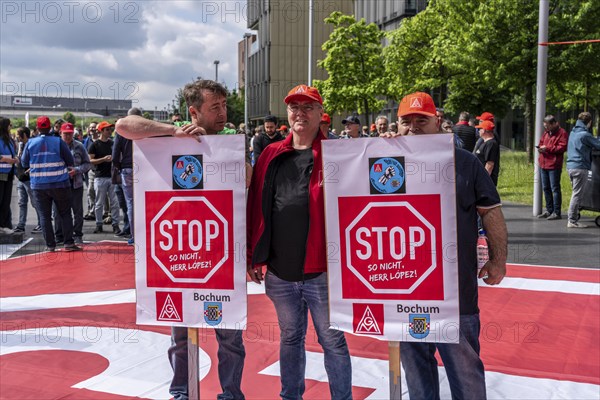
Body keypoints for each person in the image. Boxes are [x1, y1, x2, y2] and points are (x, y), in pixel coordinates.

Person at [116, 79, 246, 400]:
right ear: (193, 111)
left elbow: (249, 177)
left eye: (224, 105)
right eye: (214, 107)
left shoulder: (229, 138)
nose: (222, 112)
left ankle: (231, 393)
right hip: (178, 254)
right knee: (180, 335)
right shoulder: (172, 133)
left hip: (219, 255)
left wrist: (226, 156)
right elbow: (123, 125)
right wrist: (173, 133)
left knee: (230, 336)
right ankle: (182, 392)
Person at [382, 92, 507, 400]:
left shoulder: (465, 162)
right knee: (417, 375)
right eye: (405, 122)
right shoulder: (384, 163)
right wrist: (372, 149)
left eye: (420, 120)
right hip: (404, 292)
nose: (412, 128)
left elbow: (490, 211)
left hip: (455, 293)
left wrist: (498, 260)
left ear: (437, 122)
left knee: (465, 374)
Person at [247, 84, 352, 400]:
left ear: (322, 114)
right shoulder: (270, 154)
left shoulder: (339, 154)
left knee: (332, 340)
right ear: (287, 114)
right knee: (290, 337)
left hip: (323, 274)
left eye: (308, 107)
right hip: (280, 271)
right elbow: (256, 205)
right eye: (294, 107)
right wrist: (254, 256)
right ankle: (290, 395)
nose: (300, 113)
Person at [20, 116, 81, 252]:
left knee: (44, 216)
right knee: (65, 213)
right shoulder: (58, 142)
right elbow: (70, 160)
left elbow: (24, 162)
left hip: (39, 186)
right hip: (60, 184)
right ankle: (68, 244)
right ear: (50, 127)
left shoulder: (30, 143)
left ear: (37, 128)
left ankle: (50, 245)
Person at [54, 122, 91, 245]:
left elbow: (87, 164)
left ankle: (78, 234)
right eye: (65, 134)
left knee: (78, 211)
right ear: (60, 133)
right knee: (58, 211)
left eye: (70, 134)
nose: (68, 137)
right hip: (59, 184)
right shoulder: (55, 146)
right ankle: (59, 236)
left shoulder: (79, 146)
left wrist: (77, 170)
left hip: (76, 183)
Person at [566, 111, 600, 228]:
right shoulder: (585, 135)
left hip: (570, 167)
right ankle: (572, 220)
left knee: (576, 193)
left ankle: (573, 216)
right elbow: (598, 144)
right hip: (580, 167)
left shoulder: (573, 133)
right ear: (589, 122)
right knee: (577, 194)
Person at [88, 121, 121, 235]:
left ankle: (115, 224)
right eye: (107, 129)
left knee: (114, 203)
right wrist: (103, 159)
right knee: (99, 203)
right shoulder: (95, 144)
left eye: (110, 129)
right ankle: (99, 224)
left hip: (112, 176)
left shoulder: (112, 143)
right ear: (101, 131)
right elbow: (90, 160)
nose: (109, 131)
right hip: (100, 176)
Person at [113, 108, 139, 245]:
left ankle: (135, 235)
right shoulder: (148, 128)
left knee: (131, 203)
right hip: (145, 168)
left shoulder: (121, 131)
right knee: (147, 201)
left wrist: (118, 166)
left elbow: (115, 151)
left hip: (127, 168)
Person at [536, 115, 568, 220]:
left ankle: (557, 212)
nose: (546, 128)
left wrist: (548, 148)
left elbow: (562, 147)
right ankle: (549, 210)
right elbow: (541, 142)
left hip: (554, 165)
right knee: (546, 188)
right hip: (544, 163)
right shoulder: (546, 133)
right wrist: (540, 149)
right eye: (545, 126)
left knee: (555, 188)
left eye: (548, 126)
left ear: (554, 124)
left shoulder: (562, 133)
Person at [13, 127, 42, 234]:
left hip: (30, 179)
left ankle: (41, 224)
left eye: (18, 135)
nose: (17, 137)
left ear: (24, 135)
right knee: (22, 202)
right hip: (20, 178)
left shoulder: (32, 145)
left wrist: (30, 169)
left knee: (36, 202)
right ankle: (21, 224)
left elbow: (37, 159)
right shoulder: (20, 145)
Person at [0, 117, 18, 234]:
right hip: (1, 174)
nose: (11, 127)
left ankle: (4, 225)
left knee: (6, 201)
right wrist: (7, 160)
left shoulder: (9, 140)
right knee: (0, 200)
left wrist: (15, 159)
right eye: (9, 125)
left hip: (9, 175)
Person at [473, 120, 500, 186]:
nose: (478, 131)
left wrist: (483, 180)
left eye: (480, 129)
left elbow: (490, 164)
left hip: (486, 181)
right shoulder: (485, 143)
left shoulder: (491, 144)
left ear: (484, 130)